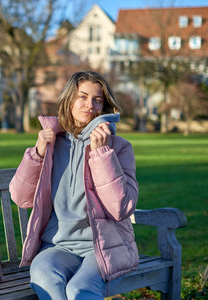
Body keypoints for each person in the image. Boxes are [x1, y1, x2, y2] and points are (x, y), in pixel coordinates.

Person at [9, 71, 139, 299]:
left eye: (97, 99)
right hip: (57, 247)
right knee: (43, 276)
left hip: (102, 249)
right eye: (83, 96)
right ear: (69, 100)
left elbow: (121, 207)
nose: (90, 105)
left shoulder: (119, 147)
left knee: (79, 291)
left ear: (104, 105)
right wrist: (37, 154)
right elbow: (21, 198)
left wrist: (102, 154)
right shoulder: (50, 145)